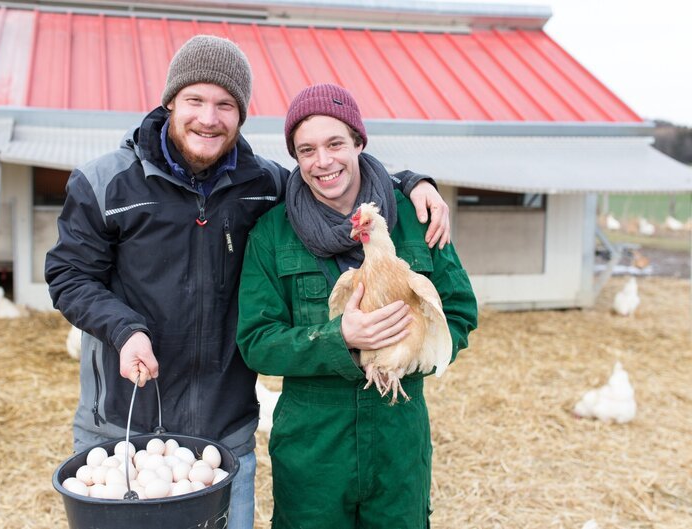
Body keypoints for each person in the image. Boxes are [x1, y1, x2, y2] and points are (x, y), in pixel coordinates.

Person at [44, 36, 450, 527]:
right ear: (170, 100)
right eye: (195, 100)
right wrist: (125, 329)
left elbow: (332, 177)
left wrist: (412, 183)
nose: (208, 118)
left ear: (241, 115)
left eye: (226, 105)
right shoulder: (106, 183)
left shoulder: (263, 186)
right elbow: (68, 274)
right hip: (121, 422)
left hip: (223, 431)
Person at [236, 83, 478, 528]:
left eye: (335, 144)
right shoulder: (271, 233)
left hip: (398, 431)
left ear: (359, 143)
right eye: (307, 149)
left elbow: (460, 310)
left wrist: (412, 355)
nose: (323, 161)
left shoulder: (415, 216)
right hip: (313, 443)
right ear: (296, 158)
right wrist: (339, 339)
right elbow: (256, 340)